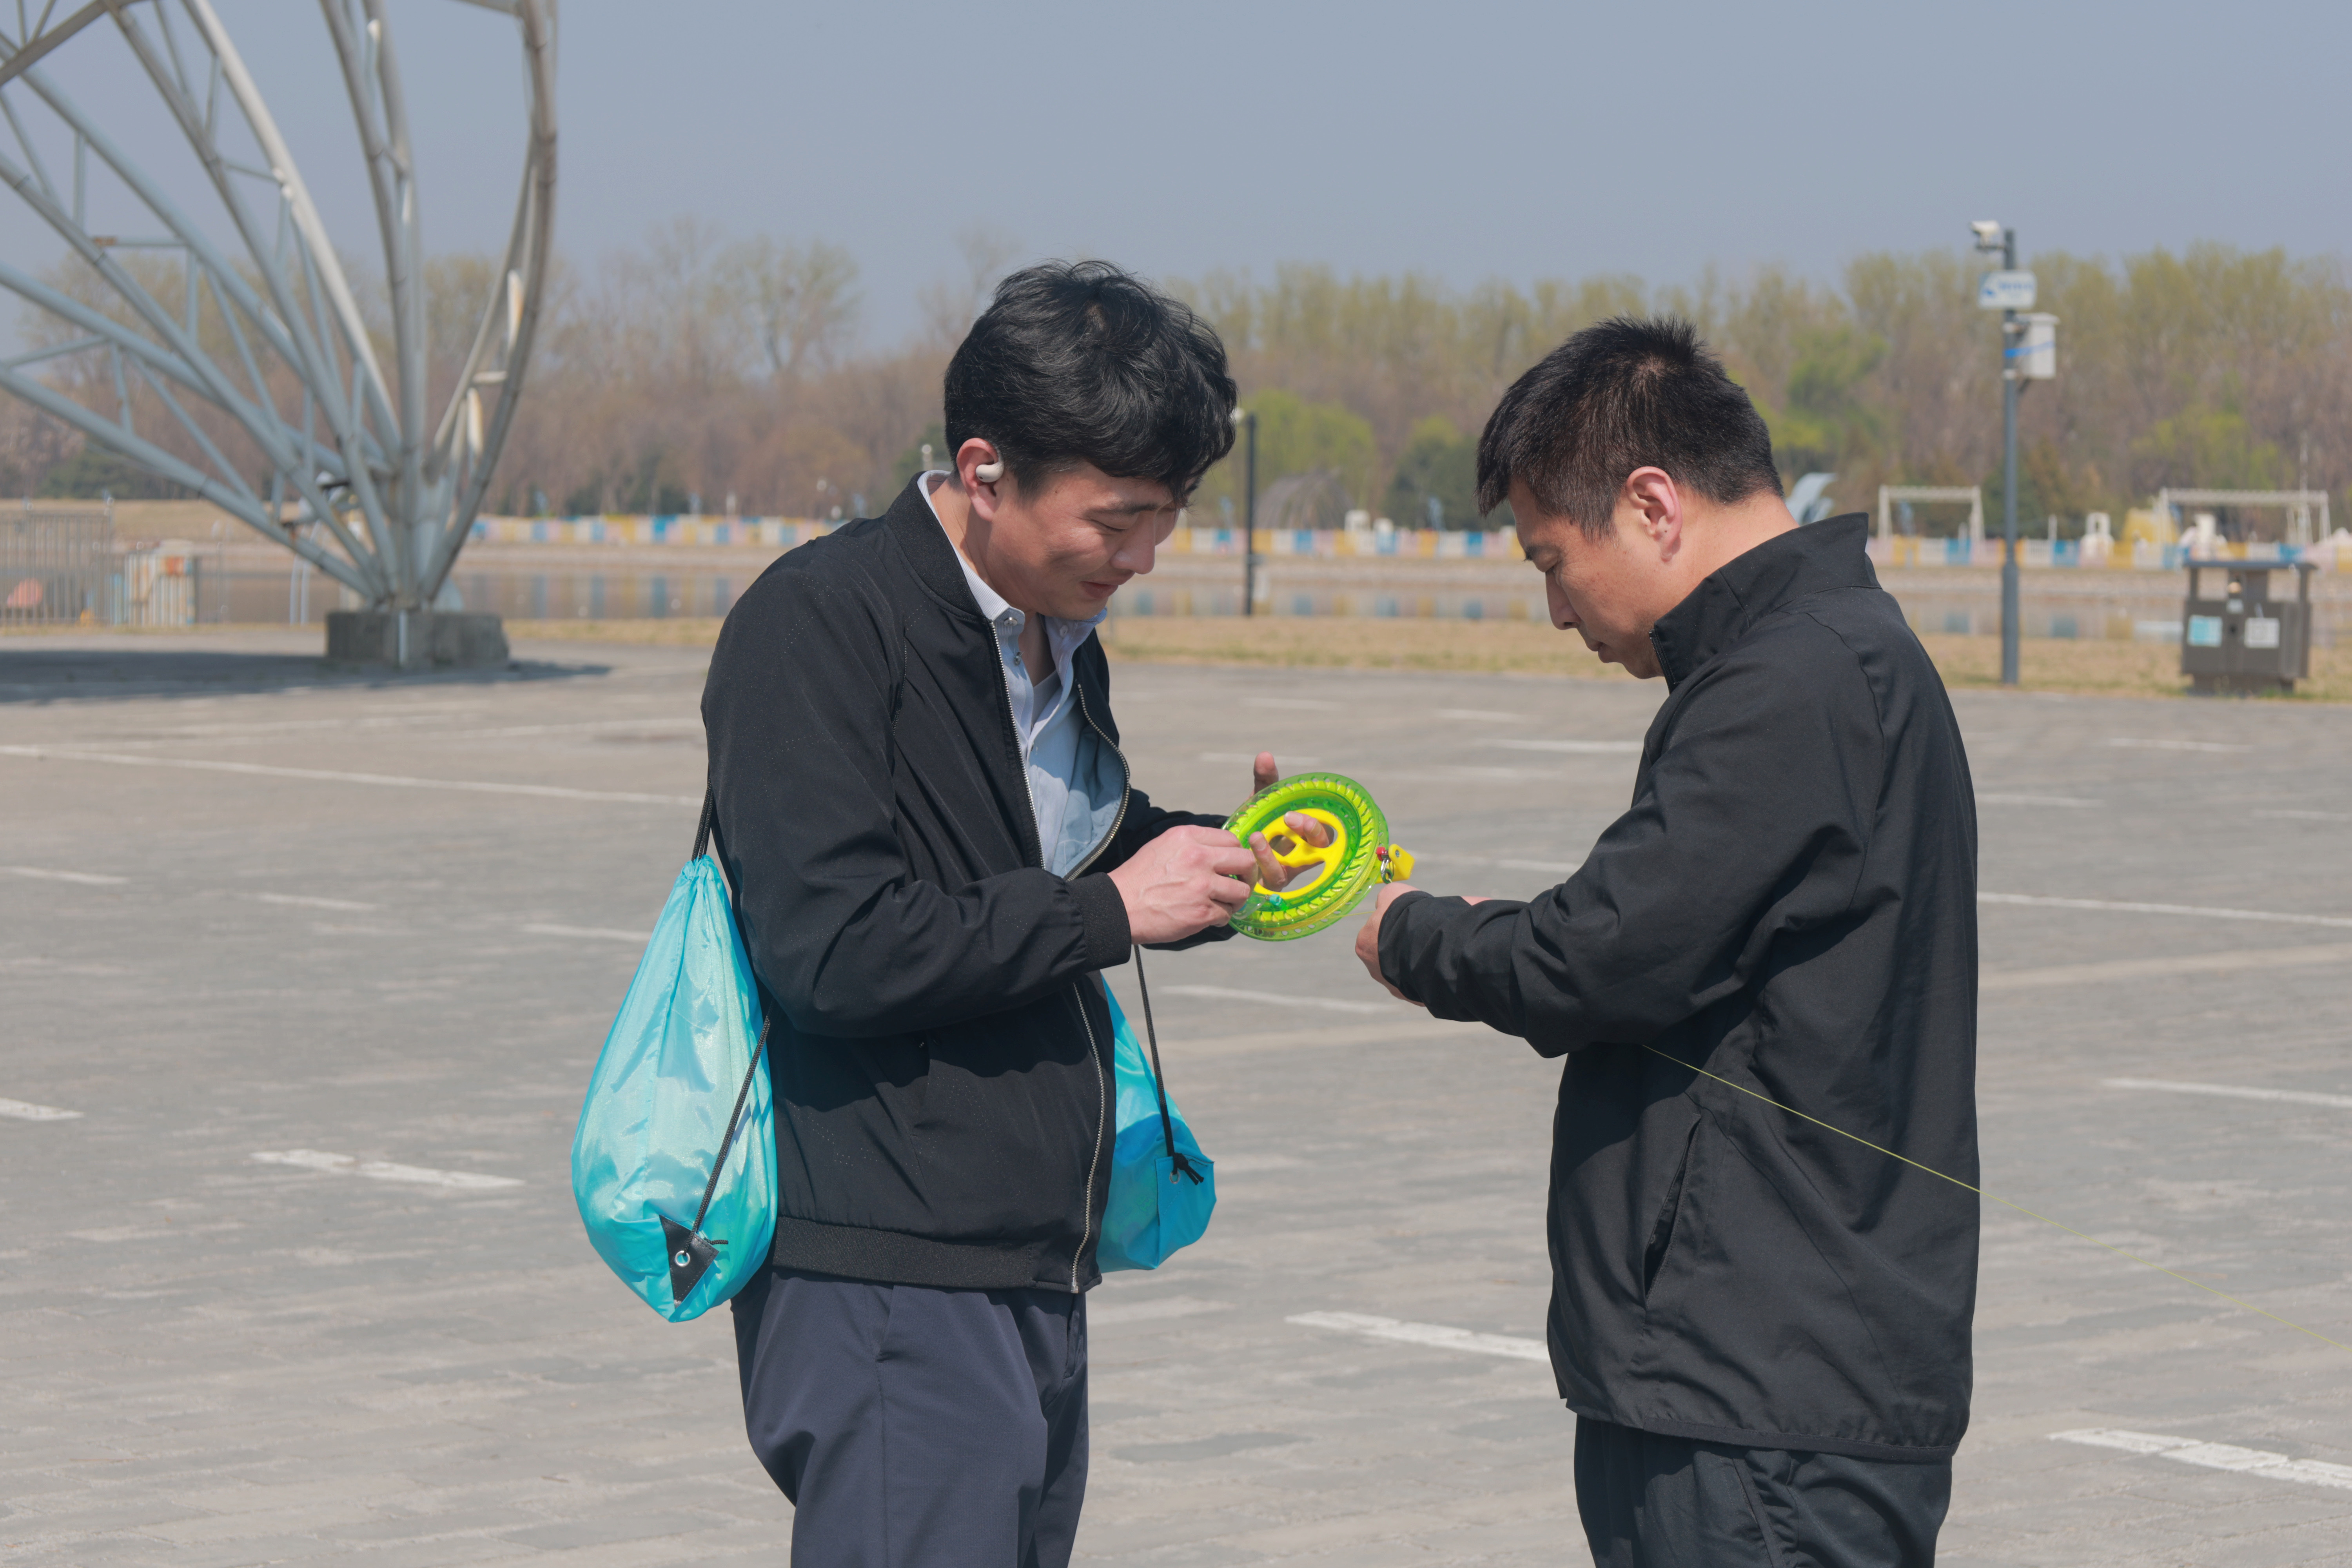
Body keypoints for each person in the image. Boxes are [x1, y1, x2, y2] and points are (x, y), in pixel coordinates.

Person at [702, 260, 1323, 1568]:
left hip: (1029, 1254)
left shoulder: (1050, 630)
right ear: (985, 473)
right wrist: (1111, 911)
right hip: (890, 1269)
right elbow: (833, 950)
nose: (1141, 560)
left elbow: (1057, 850)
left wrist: (1231, 859)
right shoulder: (819, 624)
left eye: (1166, 522)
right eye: (1118, 521)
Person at [1352, 317, 1978, 1566]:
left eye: (1552, 561)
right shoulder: (1831, 653)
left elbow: (1601, 955)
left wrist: (1409, 933)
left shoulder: (1790, 682)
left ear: (1652, 505)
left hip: (1760, 1396)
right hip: (1780, 1374)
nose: (1555, 611)